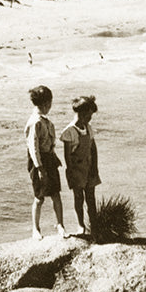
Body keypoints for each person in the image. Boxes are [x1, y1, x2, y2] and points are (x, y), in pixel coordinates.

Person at [25, 85, 67, 240]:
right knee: (39, 196)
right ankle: (35, 229)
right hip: (39, 162)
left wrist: (54, 158)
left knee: (56, 193)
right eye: (50, 103)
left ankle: (60, 225)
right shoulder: (35, 122)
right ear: (44, 104)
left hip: (49, 159)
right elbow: (33, 148)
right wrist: (39, 168)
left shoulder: (45, 121)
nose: (50, 106)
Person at [61, 96, 101, 237]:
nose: (90, 118)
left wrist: (95, 167)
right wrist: (71, 172)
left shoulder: (88, 128)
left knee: (91, 197)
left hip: (89, 167)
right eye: (89, 115)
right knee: (79, 198)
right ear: (81, 113)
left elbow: (93, 148)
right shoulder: (70, 131)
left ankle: (94, 227)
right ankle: (81, 225)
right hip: (76, 169)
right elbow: (67, 156)